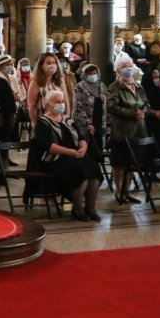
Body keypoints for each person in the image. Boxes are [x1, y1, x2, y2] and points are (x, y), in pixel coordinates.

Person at [34, 90, 102, 222]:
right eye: (57, 102)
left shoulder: (68, 119)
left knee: (93, 167)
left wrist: (83, 147)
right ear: (48, 104)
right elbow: (47, 146)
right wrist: (68, 151)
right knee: (80, 170)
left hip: (74, 155)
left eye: (63, 101)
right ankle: (77, 208)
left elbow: (81, 138)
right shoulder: (43, 122)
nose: (61, 104)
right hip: (55, 159)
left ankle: (90, 208)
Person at [107, 56, 149, 205]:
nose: (128, 69)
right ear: (118, 70)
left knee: (132, 163)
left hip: (139, 130)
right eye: (124, 66)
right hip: (122, 131)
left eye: (130, 66)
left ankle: (127, 191)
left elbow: (146, 104)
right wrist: (132, 113)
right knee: (120, 163)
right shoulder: (114, 87)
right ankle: (119, 191)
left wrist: (144, 112)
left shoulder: (139, 86)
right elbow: (112, 107)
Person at [71, 63, 107, 159]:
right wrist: (87, 123)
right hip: (85, 124)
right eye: (89, 73)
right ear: (85, 75)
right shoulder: (79, 87)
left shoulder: (102, 86)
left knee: (99, 151)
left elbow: (105, 103)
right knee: (89, 152)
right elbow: (77, 108)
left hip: (100, 121)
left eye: (94, 73)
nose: (92, 75)